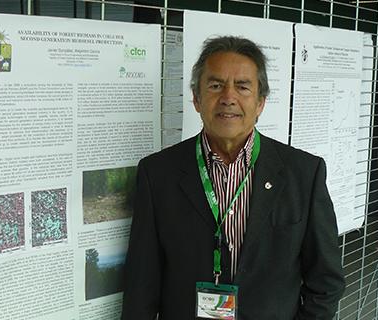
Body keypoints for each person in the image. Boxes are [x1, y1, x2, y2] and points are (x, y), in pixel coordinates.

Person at [121, 36, 345, 320]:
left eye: (242, 86)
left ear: (261, 102)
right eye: (215, 86)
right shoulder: (157, 174)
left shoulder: (303, 173)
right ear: (196, 99)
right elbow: (142, 283)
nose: (228, 97)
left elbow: (326, 281)